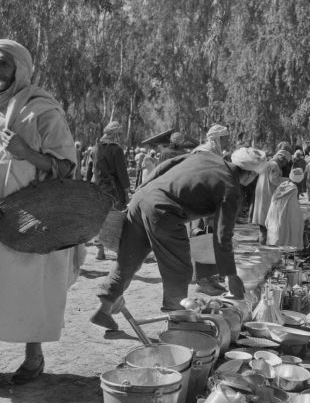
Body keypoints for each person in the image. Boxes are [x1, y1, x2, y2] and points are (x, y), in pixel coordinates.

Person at [0, 39, 78, 384]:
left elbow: (66, 167)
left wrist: (25, 152)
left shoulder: (42, 110)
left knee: (30, 285)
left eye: (2, 63)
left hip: (27, 216)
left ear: (19, 70)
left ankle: (33, 357)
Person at [91, 147, 267, 328]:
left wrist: (142, 191)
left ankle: (104, 309)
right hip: (164, 211)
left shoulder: (205, 155)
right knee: (179, 267)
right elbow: (223, 236)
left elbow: (165, 166)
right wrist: (231, 275)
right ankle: (176, 320)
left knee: (129, 259)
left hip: (141, 200)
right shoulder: (231, 189)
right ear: (251, 175)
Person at [191, 124, 231, 296]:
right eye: (224, 137)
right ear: (215, 138)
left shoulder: (214, 153)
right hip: (203, 203)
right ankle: (202, 281)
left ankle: (213, 278)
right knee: (204, 239)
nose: (227, 140)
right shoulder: (203, 152)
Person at [92, 121, 131, 260]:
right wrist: (127, 191)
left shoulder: (96, 148)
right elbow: (122, 172)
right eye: (119, 134)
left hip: (98, 188)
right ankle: (117, 249)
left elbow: (93, 170)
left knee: (100, 218)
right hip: (114, 191)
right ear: (115, 134)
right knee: (116, 218)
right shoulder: (116, 150)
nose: (120, 137)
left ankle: (99, 249)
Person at [251, 149, 291, 243]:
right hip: (267, 196)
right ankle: (264, 247)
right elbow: (274, 180)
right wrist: (289, 180)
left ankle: (263, 244)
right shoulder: (274, 165)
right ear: (282, 158)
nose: (285, 165)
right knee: (266, 223)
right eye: (285, 162)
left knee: (264, 223)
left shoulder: (268, 163)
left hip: (264, 195)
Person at [265, 167, 305, 249]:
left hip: (275, 214)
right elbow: (293, 208)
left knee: (277, 234)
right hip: (285, 215)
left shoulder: (282, 185)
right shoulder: (293, 189)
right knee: (288, 232)